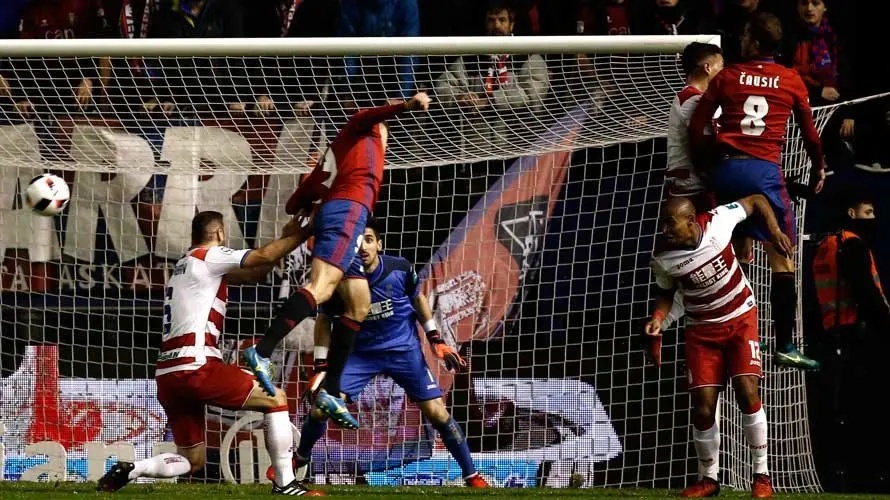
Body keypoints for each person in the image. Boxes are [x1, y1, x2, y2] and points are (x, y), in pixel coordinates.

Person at [243, 92, 432, 431]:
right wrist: (406, 105)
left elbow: (296, 200)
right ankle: (262, 350)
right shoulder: (364, 131)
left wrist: (305, 206)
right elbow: (364, 115)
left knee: (359, 304)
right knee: (321, 288)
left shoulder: (338, 154)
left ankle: (331, 389)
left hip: (346, 215)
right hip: (347, 211)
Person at [97, 211, 319, 496]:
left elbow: (256, 272)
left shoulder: (185, 265)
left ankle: (134, 469)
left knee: (192, 460)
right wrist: (300, 235)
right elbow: (262, 257)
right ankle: (286, 485)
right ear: (220, 234)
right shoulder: (208, 256)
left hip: (168, 375)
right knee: (275, 398)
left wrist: (286, 237)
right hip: (197, 366)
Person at [284, 218, 489, 488]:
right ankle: (300, 457)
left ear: (379, 244)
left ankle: (472, 476)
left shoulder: (399, 269)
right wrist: (321, 365)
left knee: (437, 413)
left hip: (403, 351)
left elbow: (418, 298)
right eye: (357, 241)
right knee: (322, 407)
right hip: (359, 355)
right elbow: (324, 320)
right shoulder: (338, 281)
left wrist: (435, 338)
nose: (363, 246)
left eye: (368, 239)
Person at [688, 12, 825, 371]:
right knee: (782, 257)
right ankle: (784, 344)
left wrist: (706, 166)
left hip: (726, 170)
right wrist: (819, 167)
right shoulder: (792, 79)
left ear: (753, 41)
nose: (741, 39)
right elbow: (810, 135)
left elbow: (699, 125)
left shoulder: (728, 76)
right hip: (764, 173)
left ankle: (736, 332)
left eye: (745, 34)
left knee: (733, 253)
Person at [646, 196, 793, 498]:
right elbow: (665, 292)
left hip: (740, 319)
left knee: (747, 390)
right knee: (702, 408)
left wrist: (775, 229)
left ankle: (762, 476)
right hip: (701, 331)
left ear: (690, 220)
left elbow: (756, 200)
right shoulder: (662, 257)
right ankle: (709, 479)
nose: (665, 230)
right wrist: (659, 318)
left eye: (670, 223)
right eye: (663, 224)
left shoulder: (717, 222)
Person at [810, 195, 890, 492]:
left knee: (836, 409)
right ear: (851, 212)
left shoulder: (823, 247)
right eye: (868, 211)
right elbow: (867, 294)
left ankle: (838, 473)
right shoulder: (853, 245)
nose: (872, 218)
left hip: (830, 337)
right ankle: (866, 475)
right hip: (856, 336)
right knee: (864, 409)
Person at [659, 41, 724, 332]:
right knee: (700, 261)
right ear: (708, 67)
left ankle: (669, 321)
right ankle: (669, 322)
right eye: (721, 66)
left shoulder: (688, 99)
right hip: (692, 192)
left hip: (685, 188)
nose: (724, 72)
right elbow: (709, 148)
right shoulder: (693, 101)